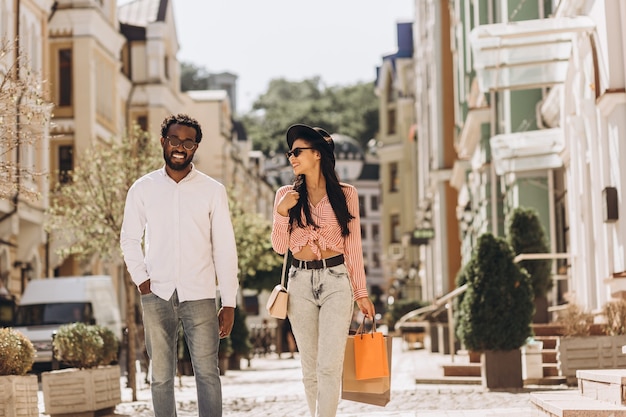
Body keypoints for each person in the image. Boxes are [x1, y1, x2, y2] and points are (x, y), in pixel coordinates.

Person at [120, 113, 239, 417]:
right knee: (160, 376)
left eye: (188, 142)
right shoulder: (143, 188)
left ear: (195, 147)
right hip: (156, 293)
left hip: (199, 294)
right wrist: (143, 281)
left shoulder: (213, 191)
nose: (179, 147)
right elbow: (129, 239)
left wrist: (229, 302)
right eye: (174, 139)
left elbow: (225, 248)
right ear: (163, 141)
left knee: (208, 374)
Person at [271, 124, 375, 417]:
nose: (291, 157)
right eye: (289, 152)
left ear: (317, 154)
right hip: (299, 282)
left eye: (297, 151)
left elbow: (353, 246)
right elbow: (280, 247)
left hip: (336, 281)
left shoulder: (347, 194)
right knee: (310, 366)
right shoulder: (285, 194)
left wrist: (361, 293)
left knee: (329, 365)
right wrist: (281, 213)